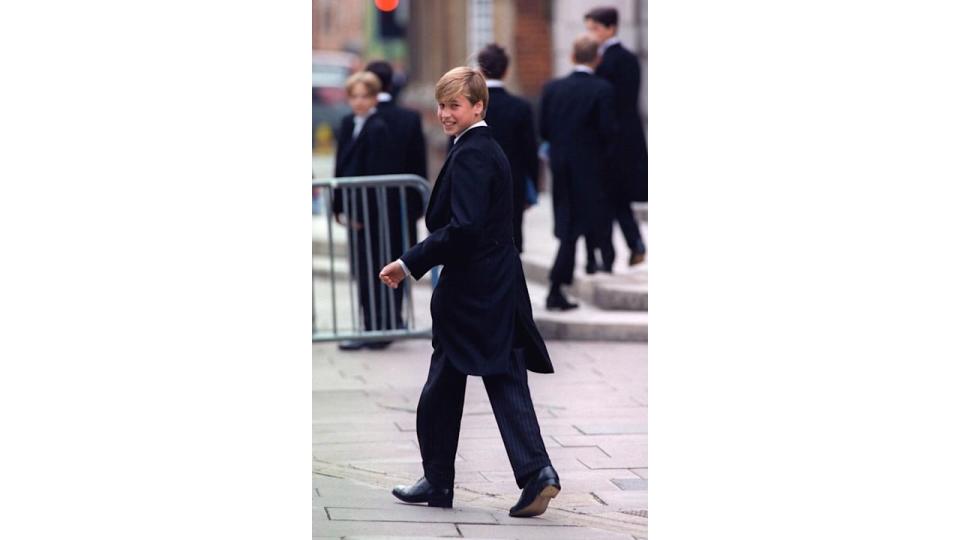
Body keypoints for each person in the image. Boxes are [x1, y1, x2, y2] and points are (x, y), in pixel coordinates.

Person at [378, 67, 561, 518]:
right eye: (441, 105)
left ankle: (449, 479)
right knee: (486, 381)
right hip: (493, 285)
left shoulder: (475, 153)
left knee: (456, 384)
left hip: (473, 290)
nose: (444, 114)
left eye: (453, 105)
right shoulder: (478, 147)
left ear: (478, 106)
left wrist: (408, 262)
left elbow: (465, 228)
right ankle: (527, 474)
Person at [539, 36, 617, 311]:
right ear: (597, 58)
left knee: (568, 226)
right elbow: (609, 133)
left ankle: (580, 270)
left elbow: (544, 129)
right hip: (591, 168)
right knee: (579, 227)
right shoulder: (603, 90)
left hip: (561, 167)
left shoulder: (552, 88)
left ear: (572, 55)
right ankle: (558, 285)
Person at [361, 60, 428, 343]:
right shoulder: (409, 118)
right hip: (400, 205)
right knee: (399, 263)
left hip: (365, 206)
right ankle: (394, 318)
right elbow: (419, 165)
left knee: (368, 263)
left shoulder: (363, 117)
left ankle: (372, 323)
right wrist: (418, 206)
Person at [331, 71, 398, 350]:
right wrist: (337, 205)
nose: (359, 102)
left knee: (373, 268)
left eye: (365, 97)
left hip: (370, 214)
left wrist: (363, 215)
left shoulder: (378, 127)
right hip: (352, 208)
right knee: (361, 270)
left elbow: (376, 174)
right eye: (354, 97)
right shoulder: (348, 123)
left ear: (374, 99)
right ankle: (367, 326)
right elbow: (340, 165)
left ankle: (377, 328)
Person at [585, 6, 648, 268]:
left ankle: (612, 254)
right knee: (616, 197)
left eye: (595, 29)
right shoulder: (625, 58)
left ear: (610, 28)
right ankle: (632, 246)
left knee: (609, 197)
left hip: (614, 140)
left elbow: (614, 104)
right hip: (621, 138)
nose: (591, 34)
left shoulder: (610, 61)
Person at [475, 44, 539, 253]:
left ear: (480, 70)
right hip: (512, 181)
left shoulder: (472, 106)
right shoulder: (520, 107)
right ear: (507, 70)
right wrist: (533, 188)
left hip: (476, 180)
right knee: (511, 238)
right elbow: (530, 151)